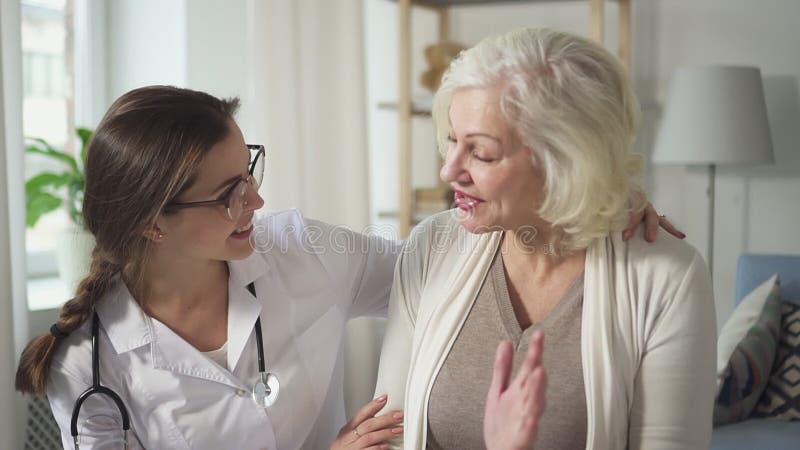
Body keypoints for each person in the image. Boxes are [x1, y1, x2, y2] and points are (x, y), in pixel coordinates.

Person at [15, 85, 678, 450]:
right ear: (152, 224)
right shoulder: (88, 367)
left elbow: (440, 267)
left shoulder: (300, 250)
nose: (257, 200)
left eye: (247, 171)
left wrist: (580, 196)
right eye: (227, 196)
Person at [373, 28, 716, 450]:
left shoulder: (665, 277)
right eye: (451, 141)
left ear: (564, 162)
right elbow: (387, 436)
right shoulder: (431, 248)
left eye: (480, 152)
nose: (449, 171)